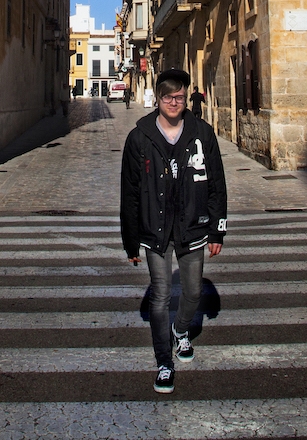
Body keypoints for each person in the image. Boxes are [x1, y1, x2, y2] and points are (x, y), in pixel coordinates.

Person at [120, 67, 227, 394]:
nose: (174, 102)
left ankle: (181, 332)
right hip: (156, 230)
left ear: (185, 97)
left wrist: (218, 231)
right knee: (161, 294)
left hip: (194, 227)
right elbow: (130, 191)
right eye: (168, 96)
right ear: (158, 97)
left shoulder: (202, 133)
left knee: (193, 292)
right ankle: (164, 362)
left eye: (179, 96)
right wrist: (130, 241)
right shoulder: (139, 137)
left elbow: (217, 185)